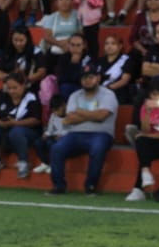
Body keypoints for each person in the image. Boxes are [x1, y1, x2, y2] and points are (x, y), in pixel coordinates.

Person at [46, 67, 118, 195]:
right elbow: (70, 119)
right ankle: (59, 186)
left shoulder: (108, 95)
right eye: (84, 77)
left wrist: (80, 112)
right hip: (76, 133)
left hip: (101, 134)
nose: (87, 80)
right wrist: (92, 115)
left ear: (98, 78)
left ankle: (90, 186)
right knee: (57, 148)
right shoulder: (75, 95)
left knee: (98, 148)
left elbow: (102, 116)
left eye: (91, 77)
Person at [124, 80, 159, 201]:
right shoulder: (145, 107)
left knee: (142, 144)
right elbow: (145, 130)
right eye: (154, 94)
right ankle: (145, 174)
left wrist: (148, 137)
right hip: (152, 142)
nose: (157, 98)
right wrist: (148, 114)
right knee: (141, 141)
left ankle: (138, 188)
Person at [0, 72, 43, 178]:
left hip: (28, 131)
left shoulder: (31, 98)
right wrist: (1, 123)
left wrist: (15, 123)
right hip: (6, 128)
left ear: (23, 85)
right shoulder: (3, 97)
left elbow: (35, 120)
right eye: (9, 88)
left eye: (15, 88)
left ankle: (24, 162)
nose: (11, 91)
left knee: (16, 132)